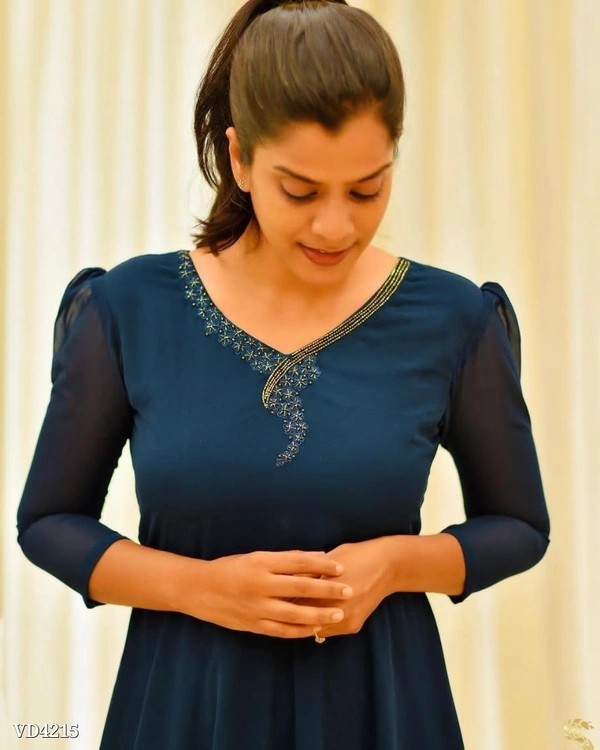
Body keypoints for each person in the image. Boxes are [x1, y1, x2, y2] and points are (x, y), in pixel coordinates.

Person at [15, 1, 551, 748]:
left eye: (366, 189)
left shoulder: (454, 318)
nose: (335, 226)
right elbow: (47, 523)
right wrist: (202, 588)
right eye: (300, 191)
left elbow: (520, 526)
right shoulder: (129, 309)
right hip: (184, 711)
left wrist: (395, 565)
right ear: (239, 159)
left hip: (385, 711)